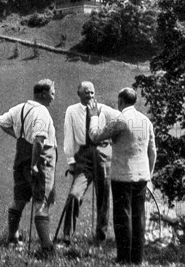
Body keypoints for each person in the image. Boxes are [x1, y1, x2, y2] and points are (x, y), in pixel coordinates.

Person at [88, 87, 156, 265]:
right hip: (142, 176)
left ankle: (124, 258)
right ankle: (137, 259)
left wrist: (94, 116)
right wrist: (149, 174)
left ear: (120, 101)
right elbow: (153, 152)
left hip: (122, 176)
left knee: (122, 217)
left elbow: (95, 136)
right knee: (138, 216)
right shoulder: (145, 121)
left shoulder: (120, 119)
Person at [0, 79, 57, 256]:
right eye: (53, 93)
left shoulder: (20, 108)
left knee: (20, 198)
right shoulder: (42, 112)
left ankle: (13, 237)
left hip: (20, 156)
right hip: (40, 159)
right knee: (41, 202)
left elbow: (1, 121)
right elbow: (39, 140)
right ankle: (47, 246)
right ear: (44, 93)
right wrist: (34, 165)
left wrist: (17, 136)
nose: (54, 97)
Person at [62, 81, 116, 246]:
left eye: (92, 93)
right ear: (79, 93)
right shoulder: (71, 110)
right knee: (74, 194)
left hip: (103, 153)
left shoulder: (104, 109)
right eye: (86, 93)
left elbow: (122, 120)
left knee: (103, 196)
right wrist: (71, 160)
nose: (90, 96)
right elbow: (69, 135)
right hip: (84, 156)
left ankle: (100, 237)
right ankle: (67, 236)